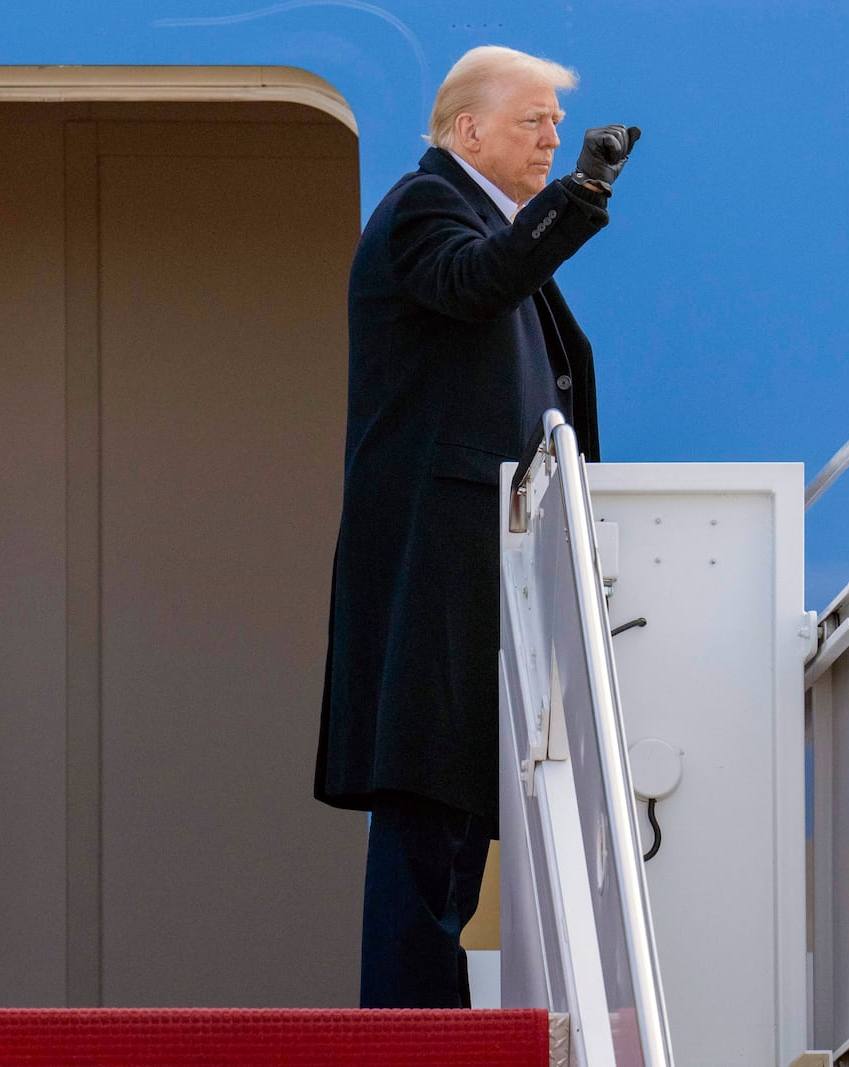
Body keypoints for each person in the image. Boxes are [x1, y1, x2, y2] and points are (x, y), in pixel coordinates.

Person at [314, 46, 638, 1007]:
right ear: (467, 132)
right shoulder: (426, 210)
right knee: (426, 816)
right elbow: (476, 281)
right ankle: (412, 1033)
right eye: (533, 119)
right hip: (434, 571)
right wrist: (577, 195)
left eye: (554, 123)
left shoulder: (469, 221)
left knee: (454, 817)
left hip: (474, 572)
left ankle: (428, 1024)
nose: (551, 136)